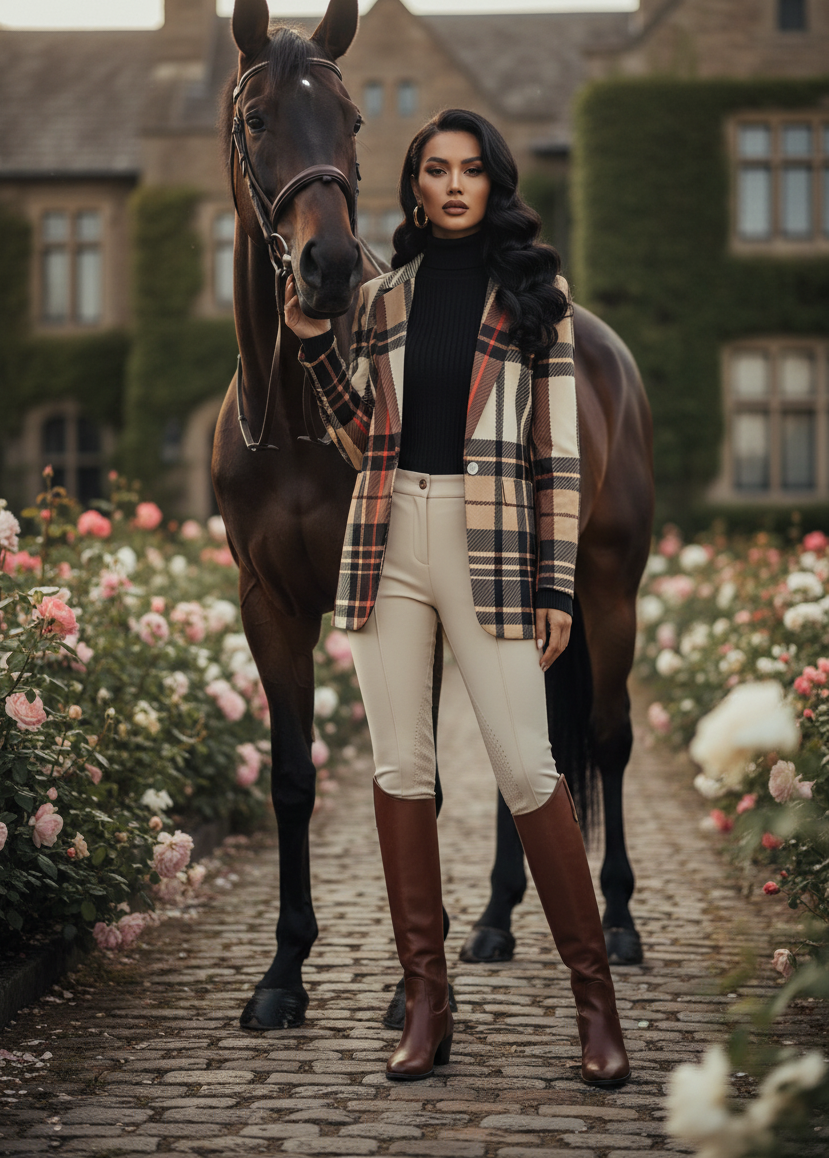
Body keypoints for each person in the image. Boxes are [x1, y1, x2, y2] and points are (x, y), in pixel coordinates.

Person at [285, 108, 630, 1088]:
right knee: (401, 768)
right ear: (415, 185)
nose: (451, 185)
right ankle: (426, 1001)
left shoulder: (537, 300)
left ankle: (595, 1005)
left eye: (469, 170)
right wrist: (314, 348)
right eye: (434, 170)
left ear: (493, 182)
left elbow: (558, 455)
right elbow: (361, 437)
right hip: (388, 539)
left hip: (494, 547)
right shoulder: (380, 300)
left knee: (526, 767)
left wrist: (555, 579)